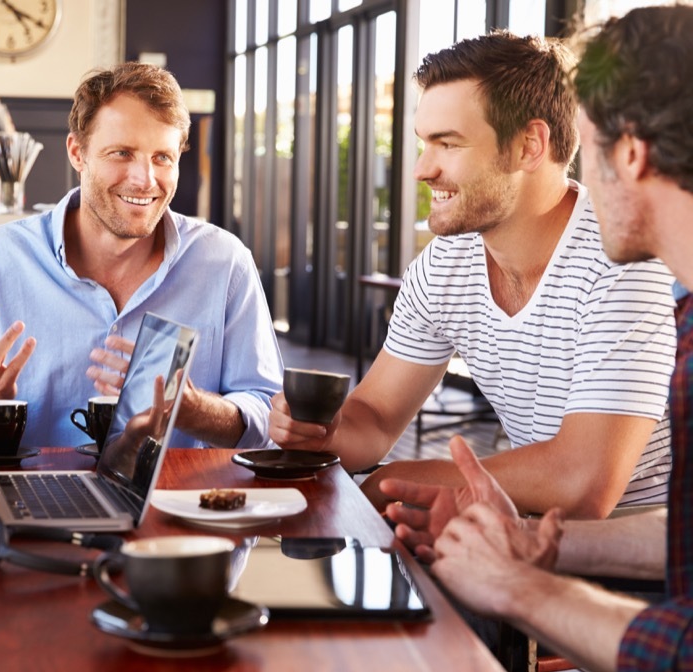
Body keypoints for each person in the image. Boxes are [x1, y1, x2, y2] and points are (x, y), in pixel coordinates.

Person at [382, 6, 693, 672]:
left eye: (585, 143)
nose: (575, 179)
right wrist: (526, 544)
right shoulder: (687, 315)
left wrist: (522, 585)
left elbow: (680, 647)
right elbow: (683, 540)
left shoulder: (634, 276)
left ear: (630, 153)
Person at [268, 31, 676, 518]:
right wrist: (325, 432)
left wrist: (394, 481)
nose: (422, 169)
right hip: (532, 543)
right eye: (425, 143)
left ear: (529, 145)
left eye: (448, 143)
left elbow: (582, 482)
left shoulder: (622, 262)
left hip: (655, 563)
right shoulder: (445, 266)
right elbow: (374, 421)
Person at [0, 62, 283, 450]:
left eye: (162, 157)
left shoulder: (225, 262)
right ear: (78, 153)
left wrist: (193, 408)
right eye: (122, 153)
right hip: (34, 494)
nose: (144, 180)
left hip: (178, 501)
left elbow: (267, 412)